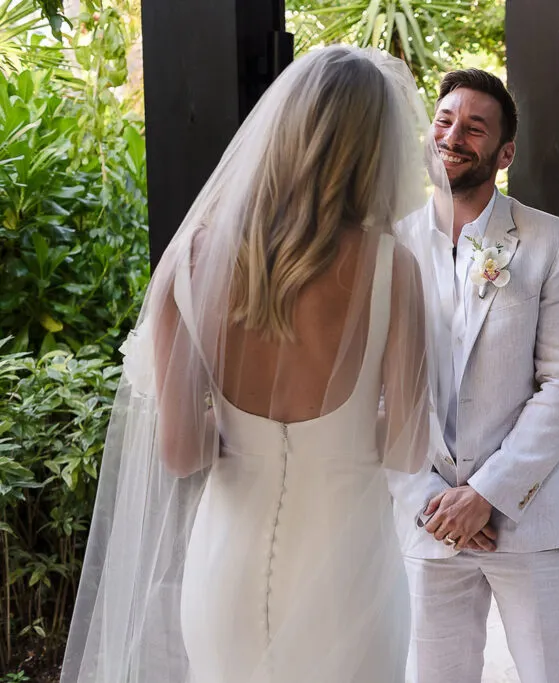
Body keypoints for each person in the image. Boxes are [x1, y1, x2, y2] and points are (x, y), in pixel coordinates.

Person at [59, 46, 454, 683]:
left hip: (226, 571)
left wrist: (246, 436)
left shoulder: (192, 260)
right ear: (371, 148)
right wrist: (338, 437)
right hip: (345, 573)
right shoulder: (393, 269)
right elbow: (408, 449)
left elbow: (182, 453)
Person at [390, 68, 559, 683]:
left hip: (526, 515)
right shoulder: (389, 246)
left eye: (475, 128)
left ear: (504, 153)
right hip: (426, 519)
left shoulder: (552, 243)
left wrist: (485, 496)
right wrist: (430, 500)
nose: (454, 136)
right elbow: (373, 392)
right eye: (446, 121)